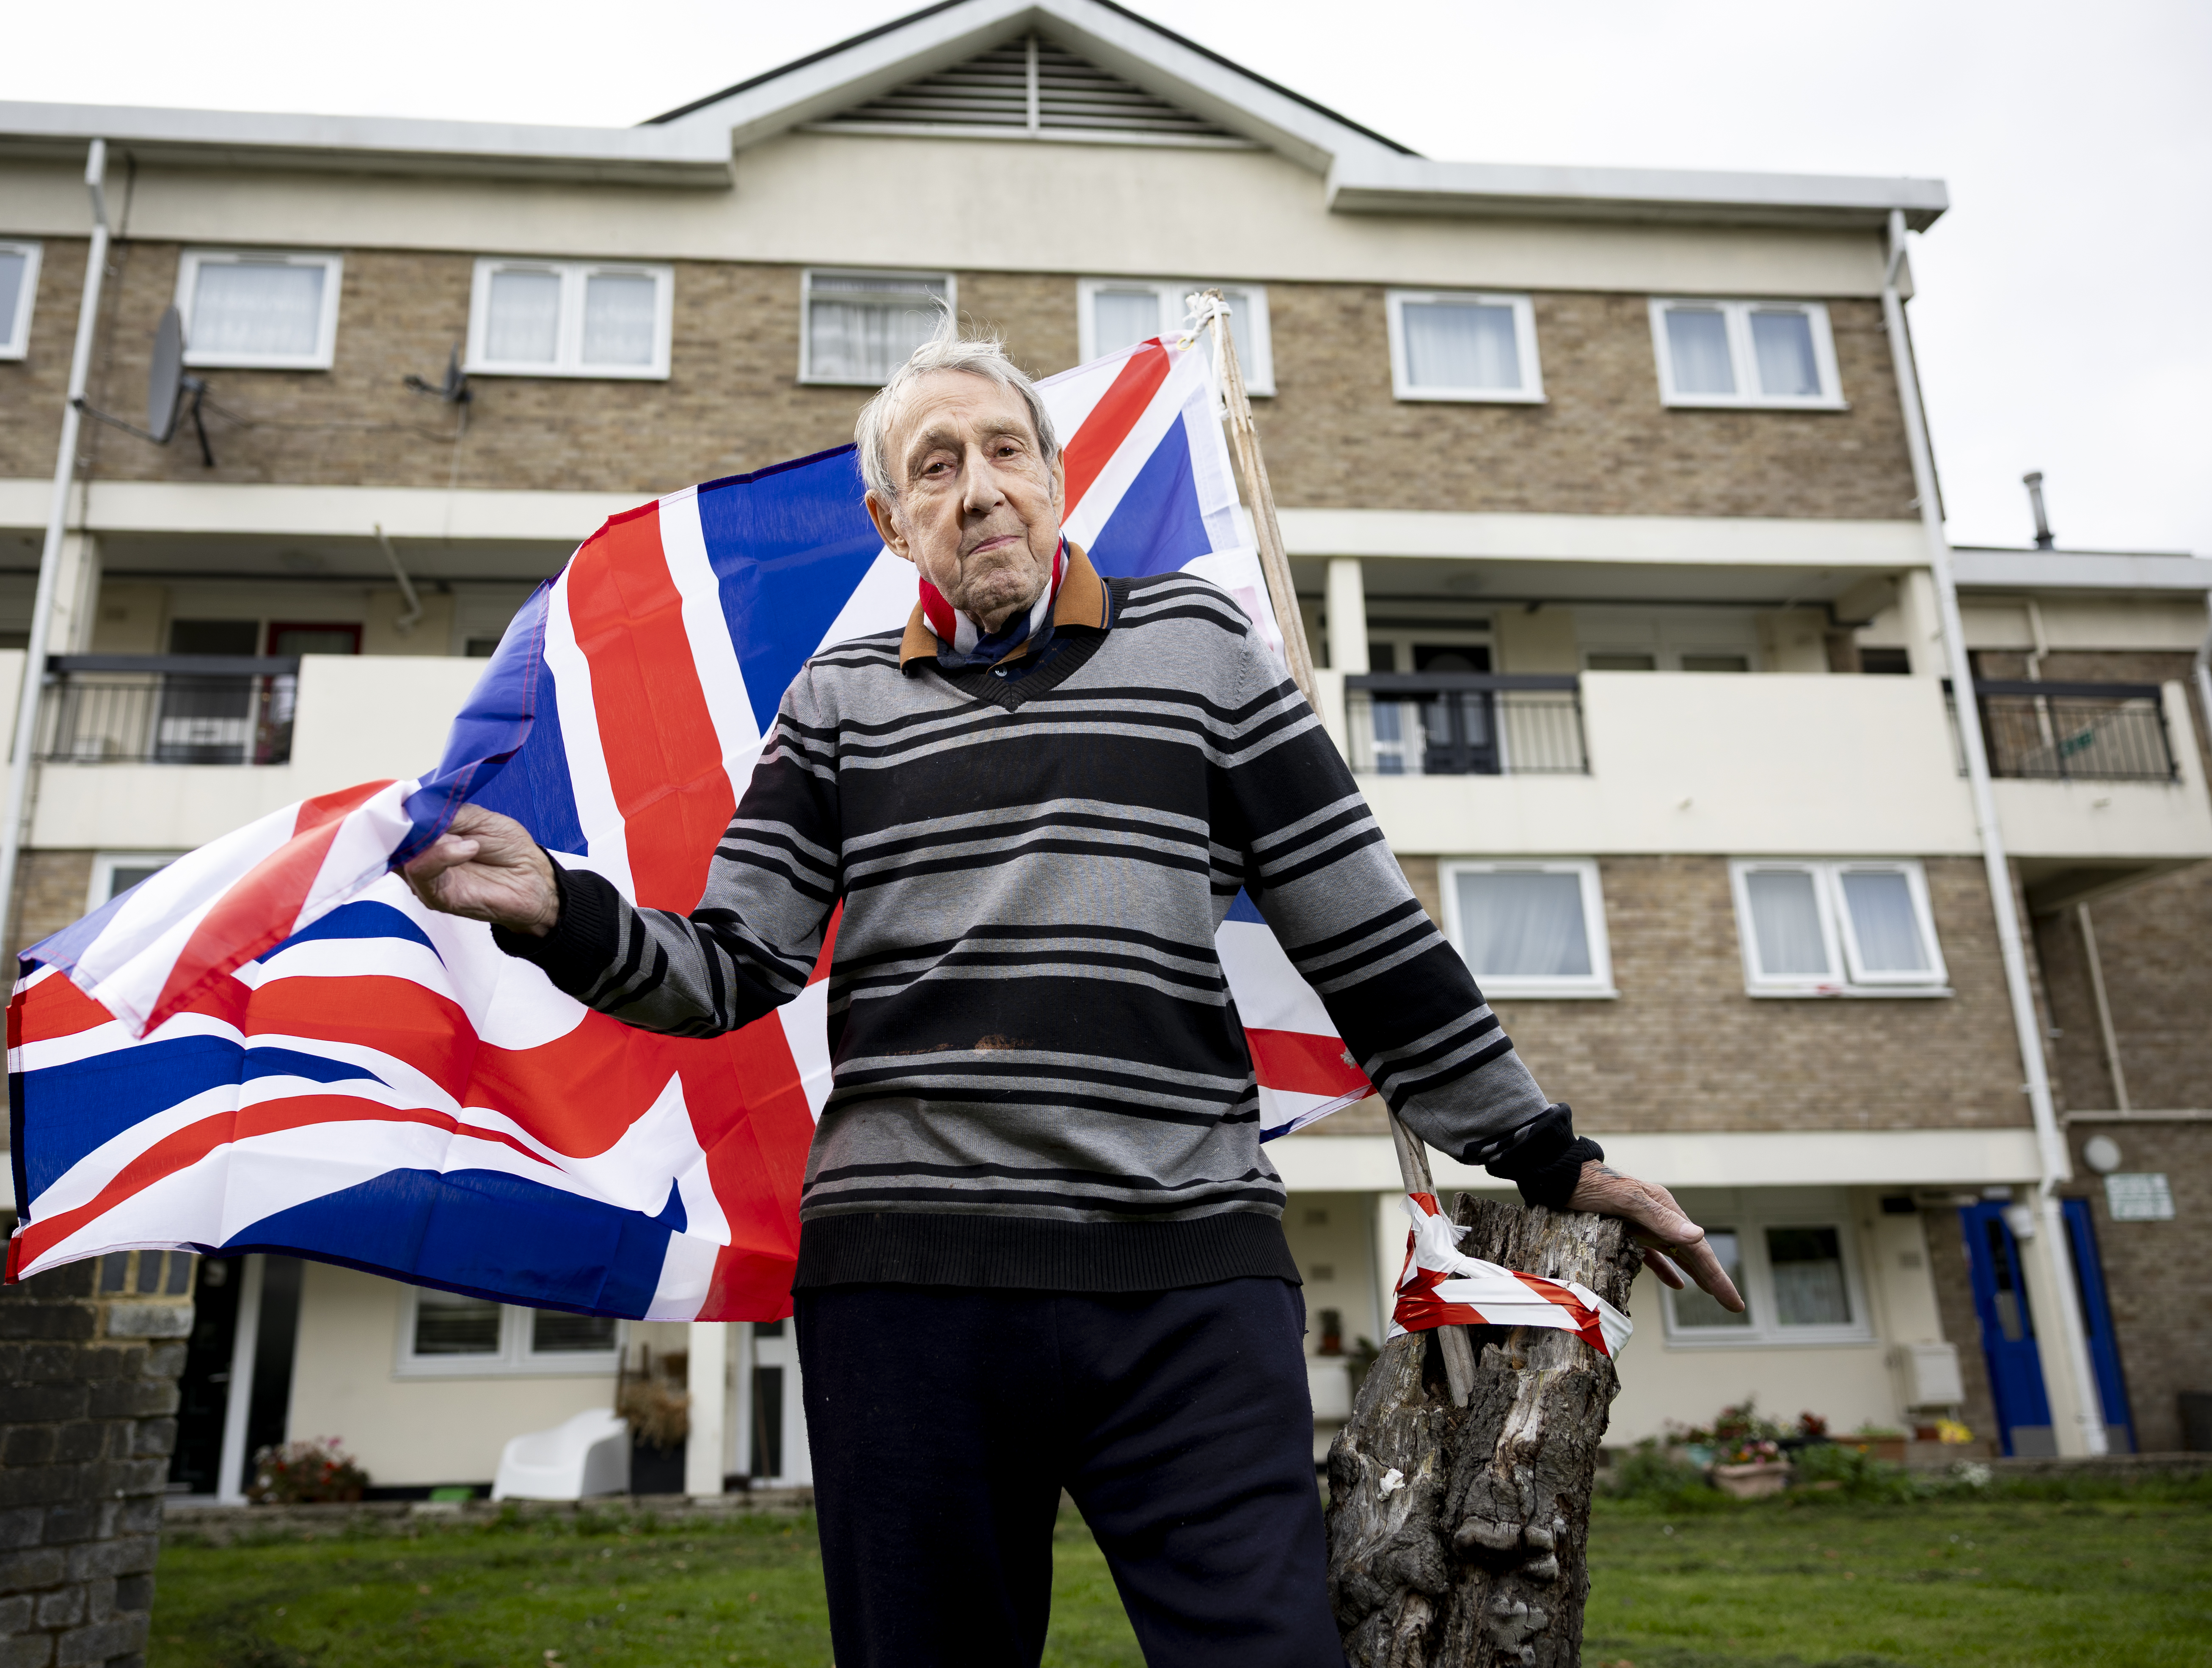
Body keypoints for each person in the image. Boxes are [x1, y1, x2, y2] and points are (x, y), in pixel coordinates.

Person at [404, 331, 1741, 1668]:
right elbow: (726, 970)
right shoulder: (836, 702)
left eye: (1003, 451)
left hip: (1185, 1269)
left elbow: (1364, 934)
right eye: (936, 466)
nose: (978, 488)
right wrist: (555, 910)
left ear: (1055, 476)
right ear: (889, 520)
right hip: (906, 1285)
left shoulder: (1199, 648)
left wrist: (1548, 1154)